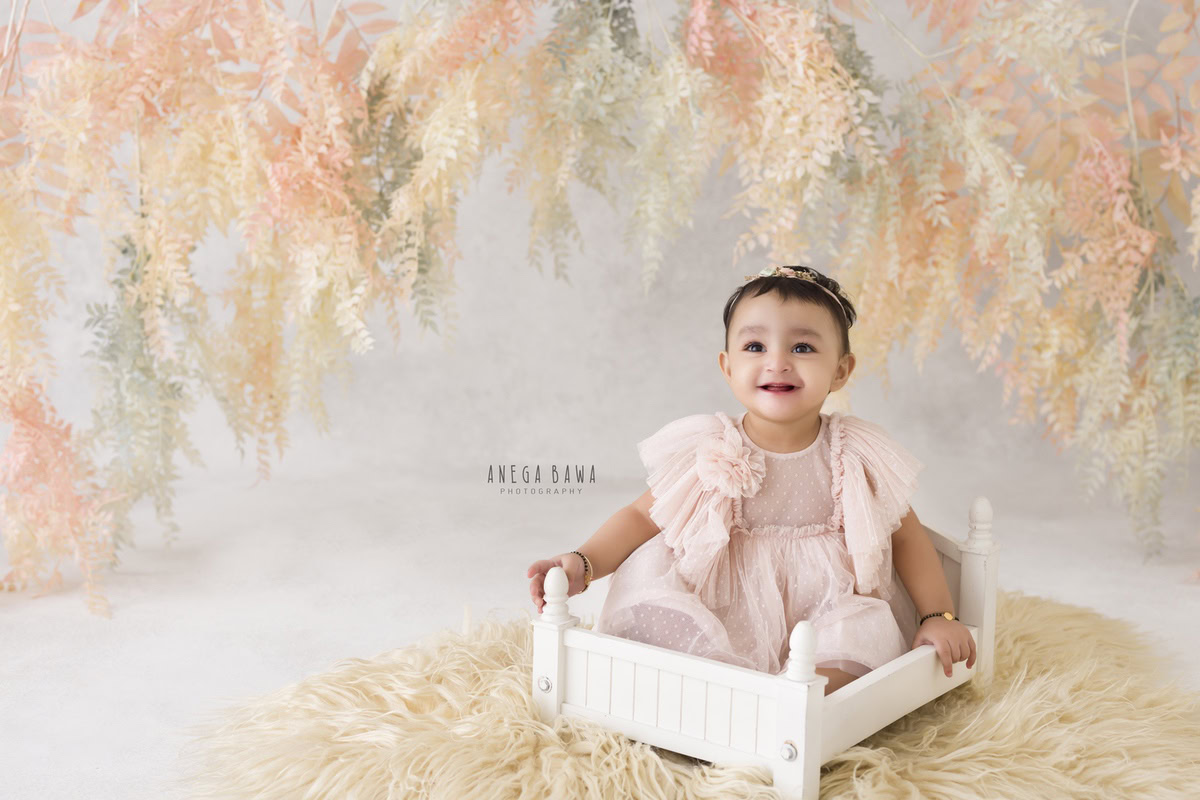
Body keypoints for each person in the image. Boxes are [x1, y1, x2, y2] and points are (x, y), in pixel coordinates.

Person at [527, 265, 976, 695]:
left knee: (858, 633)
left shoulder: (851, 453)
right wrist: (583, 563)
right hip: (725, 604)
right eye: (755, 347)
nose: (777, 362)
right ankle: (708, 695)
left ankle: (804, 705)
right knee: (657, 589)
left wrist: (937, 613)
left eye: (802, 348)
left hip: (823, 607)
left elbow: (904, 532)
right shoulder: (711, 447)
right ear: (727, 366)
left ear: (841, 370)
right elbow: (642, 517)